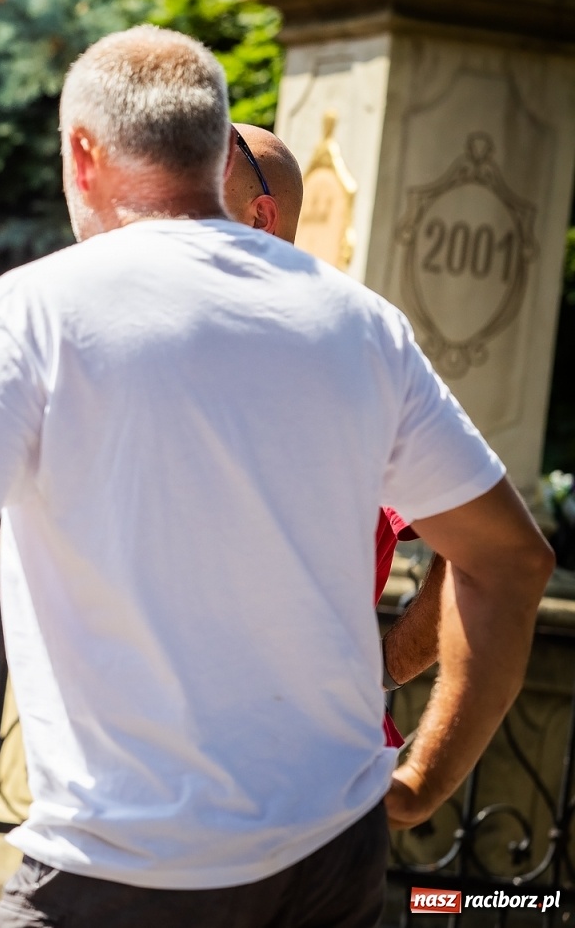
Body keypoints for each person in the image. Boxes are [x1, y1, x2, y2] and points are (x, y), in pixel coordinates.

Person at [0, 25, 553, 927]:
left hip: (127, 861)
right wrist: (418, 784)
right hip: (329, 860)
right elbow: (510, 563)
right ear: (214, 146)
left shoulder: (40, 310)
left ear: (83, 155)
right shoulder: (359, 322)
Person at [225, 123, 451, 741]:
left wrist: (383, 670)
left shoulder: (357, 354)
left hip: (304, 755)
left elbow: (485, 553)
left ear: (259, 217)